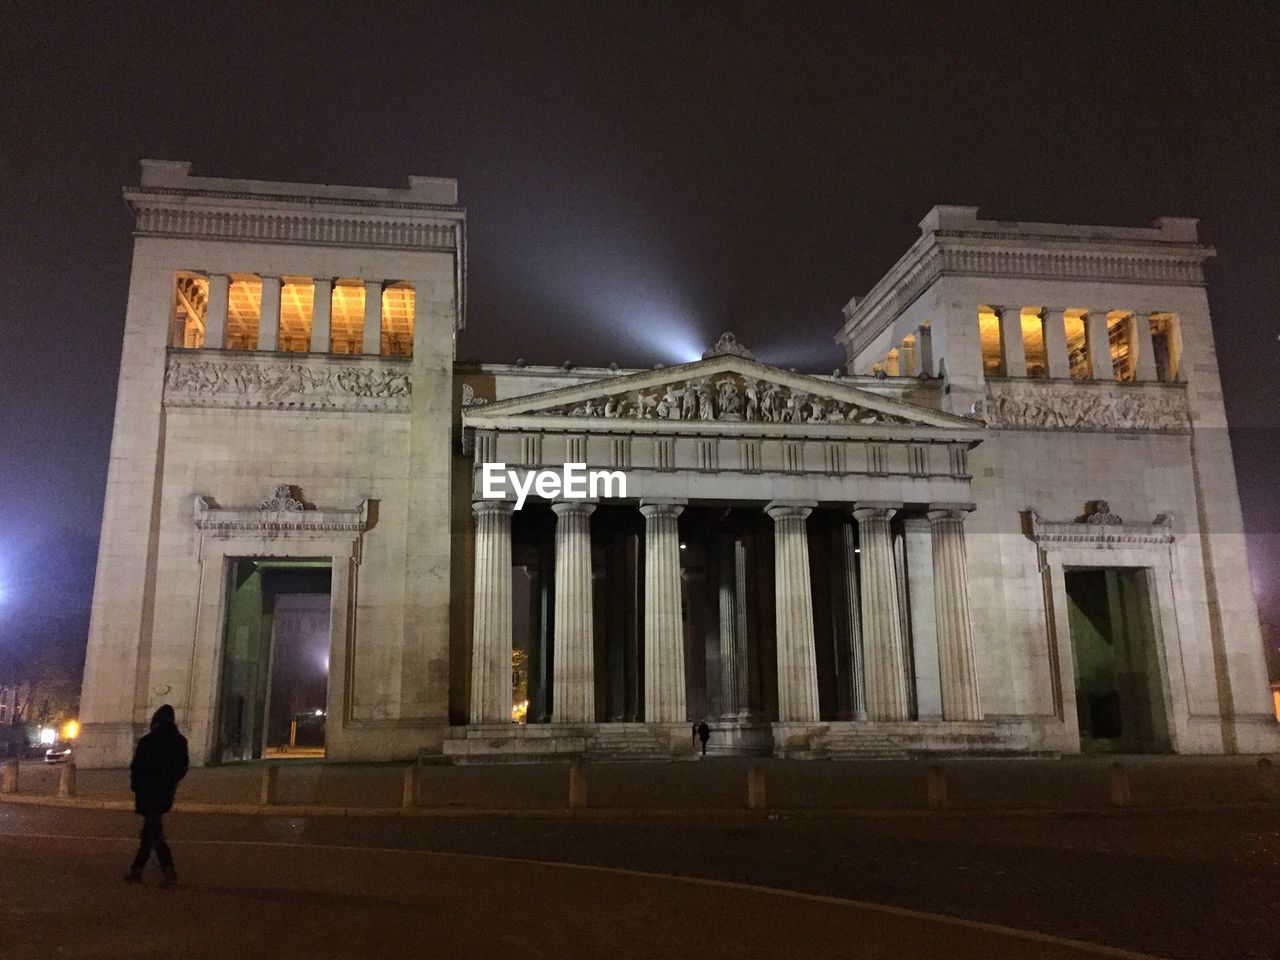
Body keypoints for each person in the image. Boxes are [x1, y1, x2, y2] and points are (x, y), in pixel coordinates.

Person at [124, 704, 188, 887]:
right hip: (166, 791)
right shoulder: (180, 741)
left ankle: (168, 870)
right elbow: (182, 767)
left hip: (147, 792)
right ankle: (136, 870)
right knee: (150, 831)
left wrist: (136, 787)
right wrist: (171, 780)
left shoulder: (147, 741)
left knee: (154, 832)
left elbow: (136, 767)